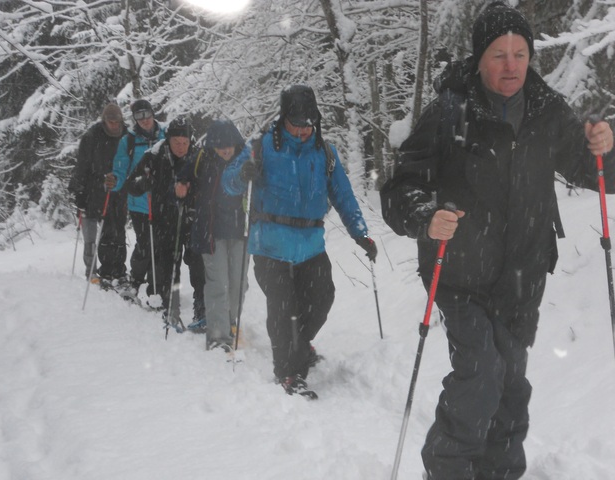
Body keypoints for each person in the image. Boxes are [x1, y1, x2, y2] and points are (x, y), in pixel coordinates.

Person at [380, 2, 615, 479]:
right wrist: (425, 216)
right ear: (479, 58)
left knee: (510, 385)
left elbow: (593, 171)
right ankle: (445, 471)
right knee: (480, 375)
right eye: (498, 55)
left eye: (520, 53)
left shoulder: (548, 111)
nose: (511, 66)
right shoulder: (451, 110)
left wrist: (604, 148)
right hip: (460, 274)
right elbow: (399, 186)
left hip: (522, 276)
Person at [222, 84, 378, 397]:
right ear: (284, 119)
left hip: (310, 244)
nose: (304, 129)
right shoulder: (261, 146)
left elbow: (343, 195)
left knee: (322, 299)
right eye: (298, 123)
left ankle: (300, 345)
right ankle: (289, 374)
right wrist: (243, 175)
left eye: (309, 123)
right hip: (270, 245)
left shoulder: (325, 152)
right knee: (283, 310)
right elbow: (229, 183)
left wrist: (360, 232)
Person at [175, 119, 251, 351]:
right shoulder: (202, 159)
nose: (225, 149)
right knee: (218, 283)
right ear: (212, 146)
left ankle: (229, 322)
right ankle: (218, 335)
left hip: (241, 231)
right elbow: (181, 179)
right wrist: (180, 187)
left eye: (228, 144)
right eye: (219, 146)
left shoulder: (247, 160)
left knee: (239, 284)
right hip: (210, 232)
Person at [126, 116, 205, 330]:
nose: (181, 147)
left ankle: (201, 308)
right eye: (176, 142)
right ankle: (171, 306)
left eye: (185, 142)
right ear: (168, 139)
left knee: (198, 263)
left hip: (192, 218)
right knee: (169, 264)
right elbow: (131, 185)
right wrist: (145, 182)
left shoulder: (198, 155)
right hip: (164, 219)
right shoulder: (154, 155)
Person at [105, 99, 165, 301]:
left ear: (152, 113)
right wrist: (116, 180)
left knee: (161, 244)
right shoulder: (128, 141)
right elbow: (121, 169)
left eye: (147, 114)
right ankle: (136, 280)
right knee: (144, 243)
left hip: (163, 201)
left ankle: (158, 284)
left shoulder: (166, 134)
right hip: (139, 202)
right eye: (139, 116)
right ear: (134, 119)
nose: (145, 120)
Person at [68, 103, 127, 285]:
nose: (114, 125)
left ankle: (117, 269)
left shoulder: (126, 135)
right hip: (94, 189)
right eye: (110, 122)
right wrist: (78, 190)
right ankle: (94, 270)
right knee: (95, 232)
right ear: (104, 121)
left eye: (117, 122)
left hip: (119, 189)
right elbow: (82, 165)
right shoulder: (92, 136)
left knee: (117, 230)